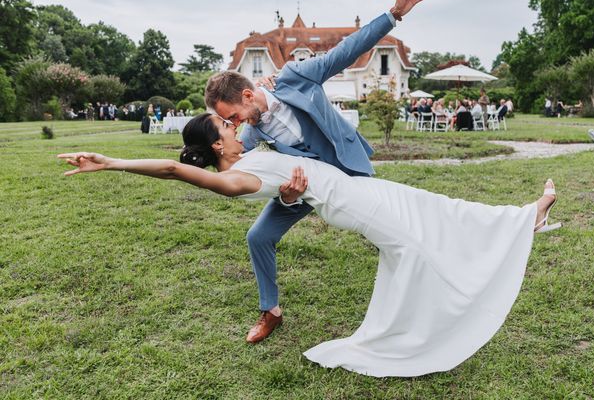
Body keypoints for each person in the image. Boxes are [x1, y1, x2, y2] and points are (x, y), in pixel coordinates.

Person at [58, 113, 560, 378]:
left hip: (360, 189)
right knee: (418, 248)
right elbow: (171, 168)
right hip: (355, 205)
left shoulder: (252, 147)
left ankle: (521, 221)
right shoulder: (236, 178)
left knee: (435, 208)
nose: (235, 127)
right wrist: (111, 162)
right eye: (227, 127)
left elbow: (280, 133)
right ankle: (416, 331)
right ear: (217, 146)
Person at [204, 0, 430, 343]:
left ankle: (416, 284)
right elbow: (242, 174)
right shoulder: (251, 135)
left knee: (387, 231)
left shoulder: (294, 77)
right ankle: (270, 311)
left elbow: (344, 51)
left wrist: (394, 15)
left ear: (248, 94)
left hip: (345, 169)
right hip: (304, 187)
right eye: (229, 122)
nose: (235, 125)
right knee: (258, 236)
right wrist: (288, 197)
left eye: (234, 115)